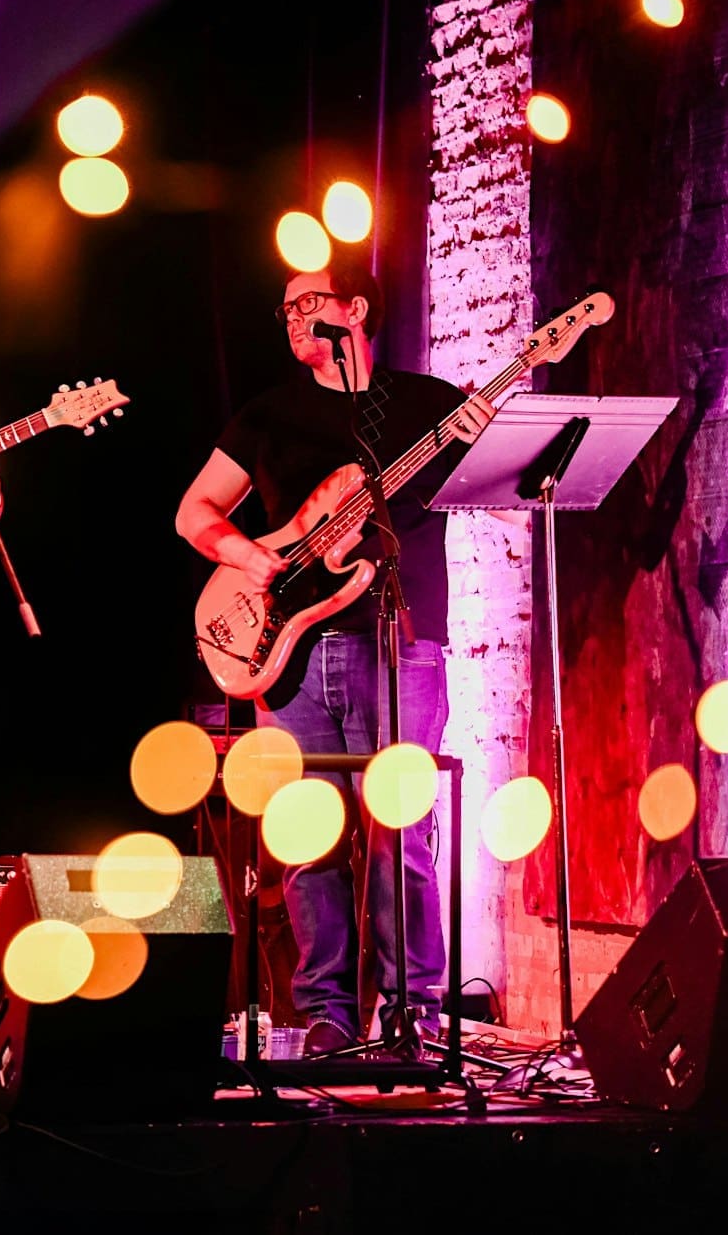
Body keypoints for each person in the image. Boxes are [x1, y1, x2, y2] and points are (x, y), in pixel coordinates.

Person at [174, 253, 511, 1058]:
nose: (293, 319)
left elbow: (501, 495)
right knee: (308, 836)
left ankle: (411, 1012)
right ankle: (326, 1012)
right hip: (287, 648)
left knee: (400, 831)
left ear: (355, 310)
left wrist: (483, 444)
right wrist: (249, 555)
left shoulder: (425, 404)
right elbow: (194, 511)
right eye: (285, 310)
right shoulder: (268, 414)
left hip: (397, 642)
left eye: (309, 304)